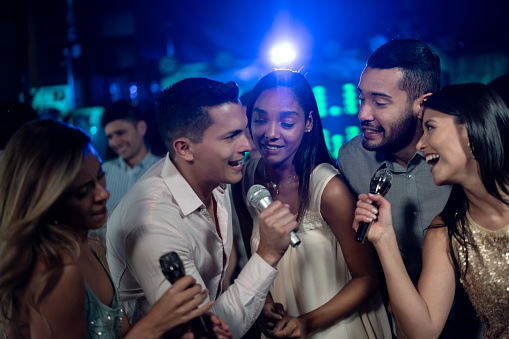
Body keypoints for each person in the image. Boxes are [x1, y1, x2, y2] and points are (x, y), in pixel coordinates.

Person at [0, 119, 231, 338]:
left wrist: (172, 327)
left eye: (100, 177)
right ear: (48, 199)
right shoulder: (58, 272)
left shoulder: (92, 244)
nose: (103, 194)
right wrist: (154, 324)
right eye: (83, 191)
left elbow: (121, 334)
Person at [106, 78, 298, 338]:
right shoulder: (153, 223)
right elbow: (203, 333)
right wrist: (267, 255)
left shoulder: (217, 176)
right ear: (184, 149)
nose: (247, 146)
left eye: (244, 131)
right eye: (231, 136)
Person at [337, 38, 481, 338]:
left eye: (380, 101)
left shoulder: (462, 158)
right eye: (361, 98)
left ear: (423, 104)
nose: (363, 113)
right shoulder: (350, 158)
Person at [234, 70, 391, 338]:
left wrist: (307, 322)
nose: (270, 133)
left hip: (337, 327)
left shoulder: (329, 189)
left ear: (308, 122)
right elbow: (256, 257)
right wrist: (264, 302)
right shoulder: (245, 179)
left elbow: (368, 278)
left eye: (286, 122)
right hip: (282, 329)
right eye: (260, 119)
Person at [354, 83, 509, 339]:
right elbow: (422, 333)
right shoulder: (445, 232)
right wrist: (385, 239)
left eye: (430, 128)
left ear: (470, 129)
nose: (420, 144)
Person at [99, 100, 162, 239]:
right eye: (110, 137)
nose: (115, 142)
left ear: (141, 128)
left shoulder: (163, 169)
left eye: (120, 133)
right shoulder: (103, 172)